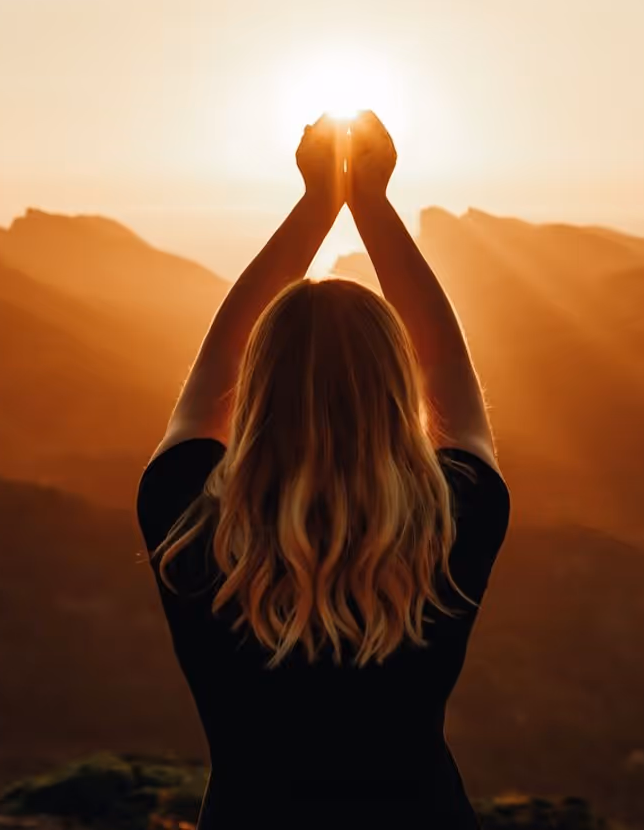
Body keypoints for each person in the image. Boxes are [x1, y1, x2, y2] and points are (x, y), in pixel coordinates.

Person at [137, 111, 509, 830]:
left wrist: (314, 203)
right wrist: (371, 202)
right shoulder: (451, 521)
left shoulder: (186, 518)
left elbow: (214, 364)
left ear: (257, 383)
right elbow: (452, 382)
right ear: (394, 387)